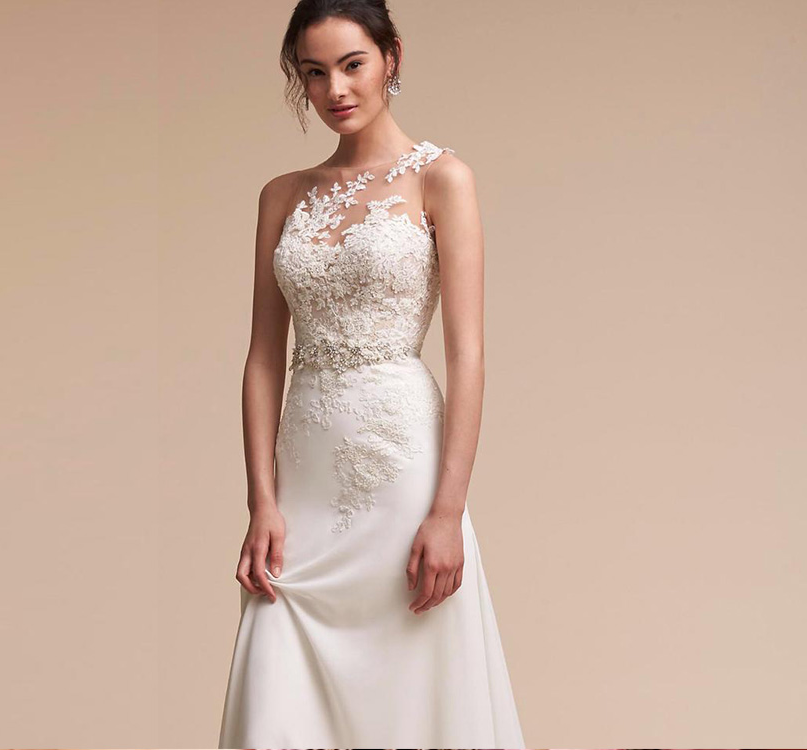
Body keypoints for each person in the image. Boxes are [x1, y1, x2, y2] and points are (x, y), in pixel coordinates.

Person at [218, 1, 525, 747]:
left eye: (352, 64)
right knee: (279, 679)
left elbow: (469, 355)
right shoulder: (281, 195)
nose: (335, 90)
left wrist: (448, 511)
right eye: (314, 72)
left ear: (392, 56)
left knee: (412, 678)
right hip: (304, 469)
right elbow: (263, 357)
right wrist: (262, 500)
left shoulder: (443, 178)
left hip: (400, 461)